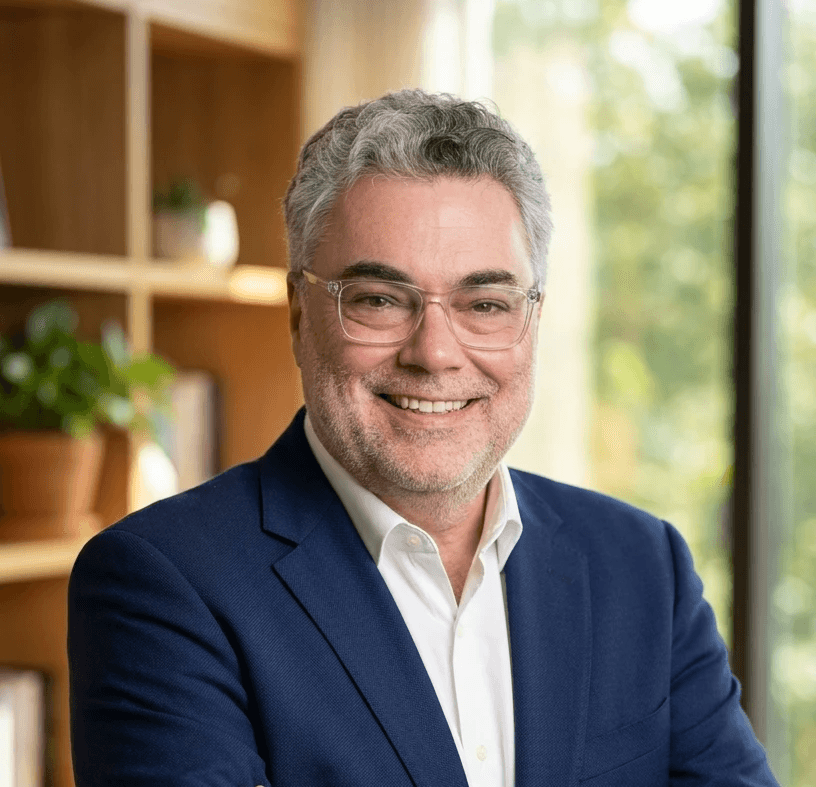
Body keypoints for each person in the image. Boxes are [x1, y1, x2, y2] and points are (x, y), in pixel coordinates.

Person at [68, 89, 779, 787]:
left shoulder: (640, 566)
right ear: (297, 315)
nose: (435, 353)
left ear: (531, 322)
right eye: (379, 299)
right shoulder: (160, 584)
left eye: (485, 304)